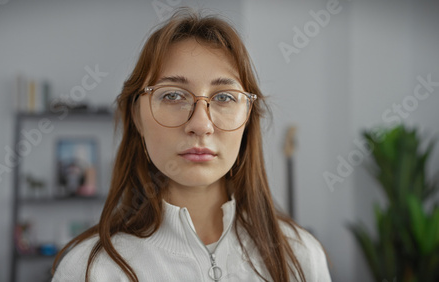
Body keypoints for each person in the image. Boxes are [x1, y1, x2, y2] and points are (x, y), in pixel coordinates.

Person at [52, 7, 332, 282]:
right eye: (173, 95)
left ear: (247, 118)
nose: (201, 125)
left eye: (224, 97)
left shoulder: (301, 256)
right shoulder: (90, 270)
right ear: (137, 116)